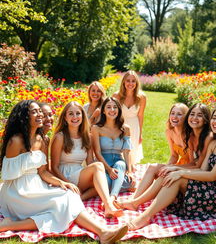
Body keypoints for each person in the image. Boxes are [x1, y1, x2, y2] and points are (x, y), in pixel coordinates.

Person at [0, 100, 128, 243]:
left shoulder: (41, 140)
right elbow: (7, 175)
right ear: (24, 116)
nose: (40, 114)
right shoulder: (16, 141)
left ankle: (103, 232)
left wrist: (62, 183)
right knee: (61, 204)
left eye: (39, 111)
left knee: (67, 196)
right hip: (17, 190)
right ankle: (103, 232)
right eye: (34, 111)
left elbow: (43, 172)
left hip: (35, 184)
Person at [117, 105, 216, 230]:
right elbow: (203, 170)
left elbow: (213, 175)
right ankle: (135, 203)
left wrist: (181, 173)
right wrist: (178, 170)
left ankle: (145, 217)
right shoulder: (215, 143)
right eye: (214, 117)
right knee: (169, 175)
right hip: (208, 185)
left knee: (177, 179)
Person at [51, 101, 123, 217]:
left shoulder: (87, 137)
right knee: (98, 168)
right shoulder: (60, 137)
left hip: (79, 174)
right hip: (65, 175)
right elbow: (53, 167)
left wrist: (107, 171)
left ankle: (79, 197)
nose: (75, 117)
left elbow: (90, 162)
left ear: (83, 116)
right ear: (65, 117)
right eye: (71, 114)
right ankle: (108, 205)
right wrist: (67, 183)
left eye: (78, 113)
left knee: (102, 182)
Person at [132, 103, 189, 198]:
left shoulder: (188, 135)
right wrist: (167, 166)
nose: (174, 117)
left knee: (165, 174)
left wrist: (173, 168)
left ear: (186, 117)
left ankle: (138, 201)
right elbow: (174, 155)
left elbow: (195, 163)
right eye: (172, 113)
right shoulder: (170, 132)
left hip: (189, 168)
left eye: (179, 114)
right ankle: (135, 197)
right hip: (179, 164)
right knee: (153, 167)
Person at [91, 97, 135, 204]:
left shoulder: (125, 129)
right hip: (103, 164)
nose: (112, 110)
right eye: (109, 107)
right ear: (104, 111)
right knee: (110, 181)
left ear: (119, 110)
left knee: (121, 165)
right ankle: (120, 185)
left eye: (115, 107)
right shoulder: (96, 128)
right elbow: (97, 152)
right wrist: (109, 169)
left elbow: (126, 151)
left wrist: (129, 171)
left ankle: (112, 197)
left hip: (118, 164)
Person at [158, 103, 213, 177]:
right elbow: (175, 156)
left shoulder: (208, 137)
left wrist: (175, 168)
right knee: (161, 173)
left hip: (204, 174)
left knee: (167, 176)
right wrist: (169, 167)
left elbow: (197, 166)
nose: (195, 118)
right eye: (192, 114)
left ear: (206, 120)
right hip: (192, 170)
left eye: (199, 115)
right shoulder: (191, 136)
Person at [113, 70, 146, 166]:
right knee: (120, 151)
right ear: (124, 82)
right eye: (128, 80)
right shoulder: (117, 96)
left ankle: (130, 170)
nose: (130, 83)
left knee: (132, 151)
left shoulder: (142, 97)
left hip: (134, 126)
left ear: (136, 83)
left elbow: (140, 115)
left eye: (133, 81)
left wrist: (140, 133)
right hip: (120, 124)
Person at [38, 102, 54, 171]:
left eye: (50, 115)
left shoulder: (46, 138)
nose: (48, 119)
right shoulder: (33, 138)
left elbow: (46, 168)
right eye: (44, 116)